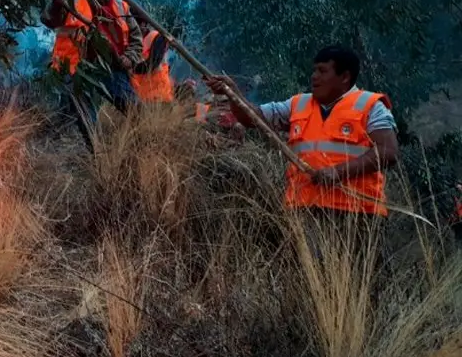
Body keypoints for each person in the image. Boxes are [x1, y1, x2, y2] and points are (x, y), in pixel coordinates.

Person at [204, 45, 399, 256]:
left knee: (357, 274)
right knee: (308, 274)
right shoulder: (298, 104)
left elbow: (388, 152)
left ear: (344, 77)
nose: (314, 76)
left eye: (322, 71)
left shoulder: (370, 106)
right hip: (305, 213)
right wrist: (232, 93)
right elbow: (253, 118)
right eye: (314, 70)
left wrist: (338, 172)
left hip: (358, 216)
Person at [42, 0, 143, 149]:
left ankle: (140, 148)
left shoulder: (121, 7)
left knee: (135, 110)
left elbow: (136, 40)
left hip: (111, 68)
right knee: (87, 123)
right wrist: (55, 4)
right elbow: (49, 20)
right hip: (76, 70)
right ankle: (98, 157)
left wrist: (129, 58)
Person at [130, 21, 175, 103]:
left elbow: (152, 64)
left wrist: (131, 68)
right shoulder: (132, 41)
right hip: (143, 94)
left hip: (159, 94)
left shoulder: (156, 37)